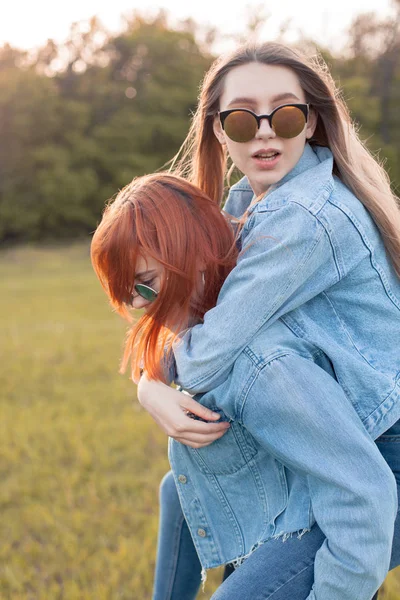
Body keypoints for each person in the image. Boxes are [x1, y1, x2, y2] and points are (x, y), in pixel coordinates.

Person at [131, 42, 400, 599]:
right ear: (218, 130)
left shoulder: (303, 219)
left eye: (285, 114)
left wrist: (152, 387)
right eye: (241, 118)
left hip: (377, 458)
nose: (265, 133)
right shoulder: (243, 205)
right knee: (178, 491)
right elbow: (191, 313)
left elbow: (208, 351)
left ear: (312, 122)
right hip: (328, 434)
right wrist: (148, 381)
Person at [91, 169, 400, 600]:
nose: (140, 305)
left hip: (367, 487)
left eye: (146, 284)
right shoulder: (221, 307)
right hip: (346, 472)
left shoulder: (265, 368)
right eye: (128, 293)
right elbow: (182, 347)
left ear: (192, 255)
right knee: (178, 491)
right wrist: (149, 382)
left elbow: (366, 497)